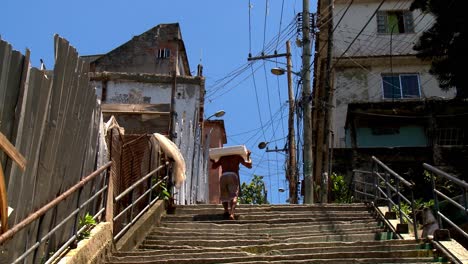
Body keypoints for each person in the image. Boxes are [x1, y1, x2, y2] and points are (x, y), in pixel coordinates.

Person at [211, 151, 252, 220]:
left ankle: (226, 211)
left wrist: (213, 161)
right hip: (233, 175)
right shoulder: (237, 156)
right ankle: (232, 214)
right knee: (234, 195)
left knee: (224, 195)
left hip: (223, 176)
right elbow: (249, 165)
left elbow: (214, 167)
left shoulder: (222, 157)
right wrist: (248, 156)